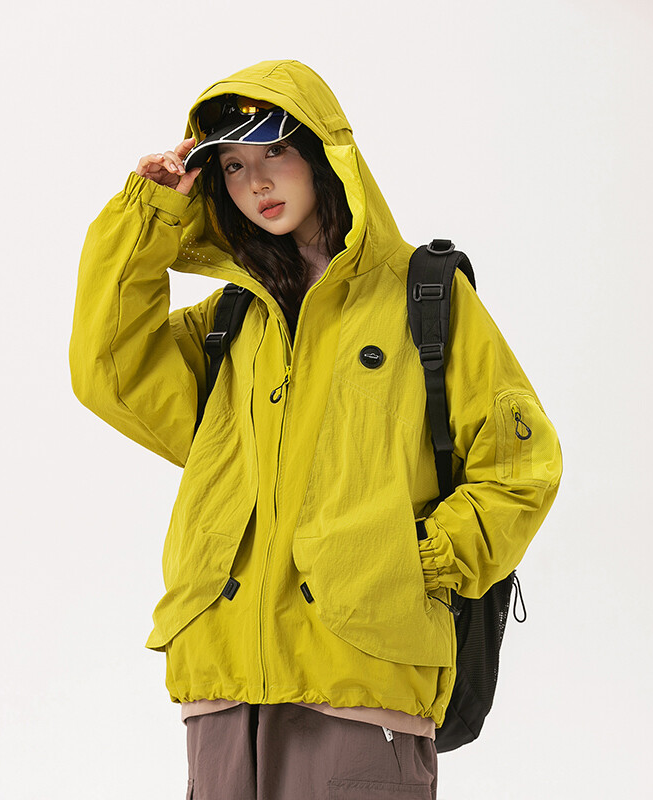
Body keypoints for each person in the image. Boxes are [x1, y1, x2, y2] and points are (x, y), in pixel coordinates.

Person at [69, 60, 562, 800]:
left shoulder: (423, 297)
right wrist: (148, 214)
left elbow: (519, 469)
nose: (257, 182)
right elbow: (108, 366)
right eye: (233, 166)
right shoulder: (233, 320)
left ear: (324, 155)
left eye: (275, 151)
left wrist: (411, 564)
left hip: (362, 680)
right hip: (226, 681)